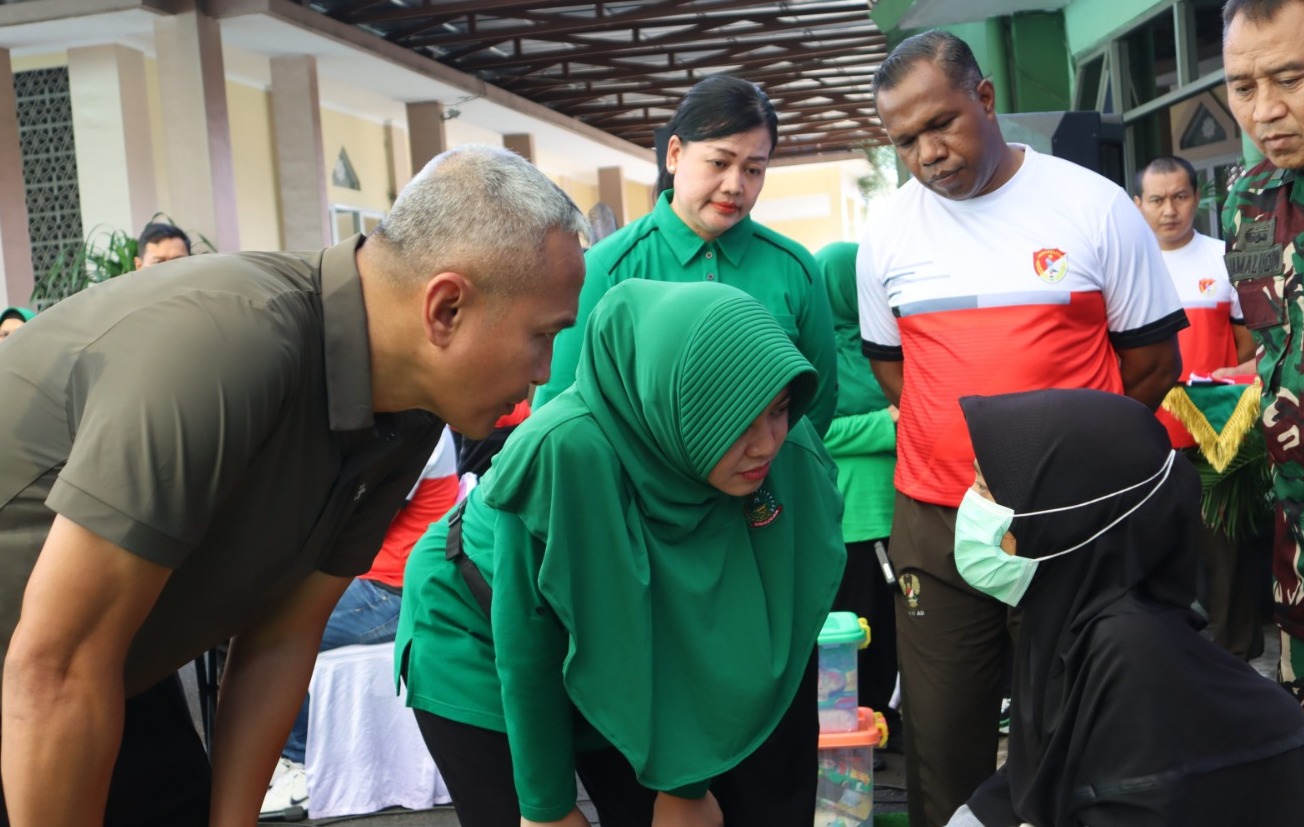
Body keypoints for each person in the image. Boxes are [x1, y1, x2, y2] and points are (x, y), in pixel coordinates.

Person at [0, 144, 588, 827]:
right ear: (446, 308)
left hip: (107, 665)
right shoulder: (224, 348)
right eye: (542, 335)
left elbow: (283, 635)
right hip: (47, 671)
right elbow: (54, 667)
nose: (545, 371)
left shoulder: (410, 406)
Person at [857, 30, 1187, 827]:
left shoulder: (1093, 206)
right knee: (942, 742)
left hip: (1071, 527)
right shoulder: (887, 233)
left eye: (940, 124)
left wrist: (1061, 468)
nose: (926, 154)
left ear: (985, 97)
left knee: (1080, 728)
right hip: (937, 523)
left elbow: (1150, 366)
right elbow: (897, 371)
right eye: (904, 141)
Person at [396, 279, 846, 827]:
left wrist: (683, 787)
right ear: (672, 405)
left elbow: (756, 629)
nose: (766, 444)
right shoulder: (565, 454)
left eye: (778, 411)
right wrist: (547, 808)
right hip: (479, 624)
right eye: (737, 423)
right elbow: (529, 644)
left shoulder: (790, 453)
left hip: (632, 648)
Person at [946, 387, 1304, 827]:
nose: (971, 504)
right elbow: (1042, 767)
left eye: (985, 488)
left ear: (1061, 513)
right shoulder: (1068, 613)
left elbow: (1135, 805)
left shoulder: (1128, 648)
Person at [533, 74, 838, 436]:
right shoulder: (606, 268)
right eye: (719, 163)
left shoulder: (796, 268)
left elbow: (815, 405)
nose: (735, 185)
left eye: (753, 170)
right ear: (675, 154)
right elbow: (558, 412)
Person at [262, 427, 460, 817]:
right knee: (257, 615)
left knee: (272, 634)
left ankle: (298, 765)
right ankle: (277, 756)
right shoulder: (395, 427)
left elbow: (346, 517)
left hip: (393, 593)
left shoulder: (420, 433)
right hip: (375, 580)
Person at [1221, 0, 1304, 729]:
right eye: (1242, 86)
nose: (1264, 111)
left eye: (1289, 78)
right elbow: (1271, 343)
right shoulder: (1249, 202)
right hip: (1303, 564)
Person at [1133, 154, 1263, 660]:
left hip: (1217, 428)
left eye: (1180, 196)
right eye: (1157, 199)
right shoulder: (1126, 264)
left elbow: (1250, 344)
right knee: (1154, 553)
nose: (1170, 210)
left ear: (1196, 198)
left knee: (1227, 556)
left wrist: (1232, 378)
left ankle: (1238, 660)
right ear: (1138, 204)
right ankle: (1170, 662)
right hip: (1147, 431)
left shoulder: (1224, 257)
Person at [815, 241, 900, 746]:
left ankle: (886, 725)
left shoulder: (885, 344)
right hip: (848, 517)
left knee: (892, 633)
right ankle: (847, 730)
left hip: (898, 509)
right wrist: (884, 426)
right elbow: (811, 429)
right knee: (851, 634)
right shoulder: (812, 351)